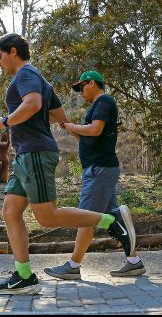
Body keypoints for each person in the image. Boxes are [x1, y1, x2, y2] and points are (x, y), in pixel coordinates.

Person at [0, 34, 136, 296]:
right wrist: (33, 121)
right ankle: (23, 275)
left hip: (35, 153)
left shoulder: (25, 74)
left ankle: (111, 221)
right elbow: (57, 114)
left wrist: (6, 121)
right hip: (25, 154)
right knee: (10, 212)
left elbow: (33, 104)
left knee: (47, 217)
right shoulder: (38, 79)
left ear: (12, 51)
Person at [44, 70, 146, 280]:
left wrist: (74, 126)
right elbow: (87, 139)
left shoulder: (104, 101)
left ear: (92, 83)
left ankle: (73, 265)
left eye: (81, 87)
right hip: (100, 169)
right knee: (115, 220)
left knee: (86, 218)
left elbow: (96, 130)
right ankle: (134, 262)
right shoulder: (96, 107)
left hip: (99, 170)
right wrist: (70, 128)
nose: (80, 92)